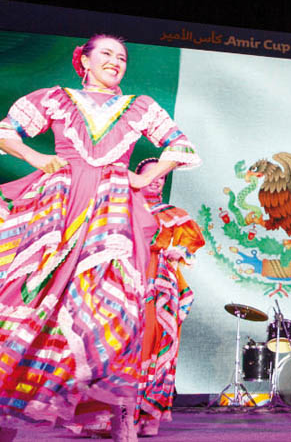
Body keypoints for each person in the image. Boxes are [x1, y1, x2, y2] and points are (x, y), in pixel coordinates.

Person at [0, 35, 201, 442]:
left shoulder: (140, 107)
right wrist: (36, 157)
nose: (115, 62)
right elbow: (5, 132)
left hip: (110, 214)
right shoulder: (56, 99)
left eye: (122, 57)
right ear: (84, 61)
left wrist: (146, 176)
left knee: (111, 312)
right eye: (107, 54)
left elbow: (178, 145)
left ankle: (117, 419)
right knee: (32, 303)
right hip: (60, 207)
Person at [77, 157, 205, 436]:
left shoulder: (173, 215)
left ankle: (143, 415)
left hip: (155, 284)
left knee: (148, 345)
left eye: (162, 177)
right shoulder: (121, 208)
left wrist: (179, 253)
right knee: (113, 344)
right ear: (137, 177)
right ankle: (102, 415)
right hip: (121, 280)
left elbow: (189, 251)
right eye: (152, 176)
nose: (158, 181)